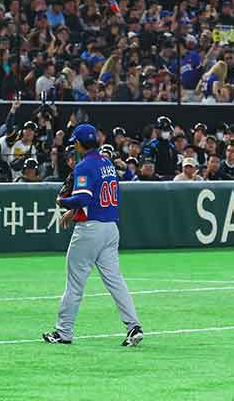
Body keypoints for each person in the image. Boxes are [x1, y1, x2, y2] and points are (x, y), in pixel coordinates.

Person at [43, 123, 143, 347]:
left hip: (90, 230)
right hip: (110, 228)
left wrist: (63, 202)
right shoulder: (106, 162)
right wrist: (72, 212)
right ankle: (133, 326)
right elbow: (94, 196)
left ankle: (63, 332)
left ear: (78, 143)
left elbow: (83, 199)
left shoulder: (84, 166)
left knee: (74, 284)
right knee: (116, 281)